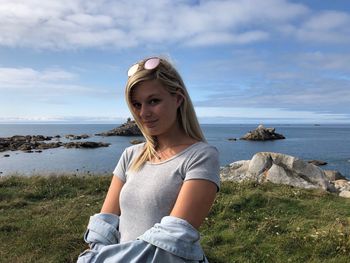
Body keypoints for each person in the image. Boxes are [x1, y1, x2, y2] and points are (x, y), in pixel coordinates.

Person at [77, 57, 220, 263]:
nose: (144, 113)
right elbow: (105, 226)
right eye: (137, 104)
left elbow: (171, 242)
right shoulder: (131, 155)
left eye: (154, 101)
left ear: (178, 99)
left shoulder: (201, 156)